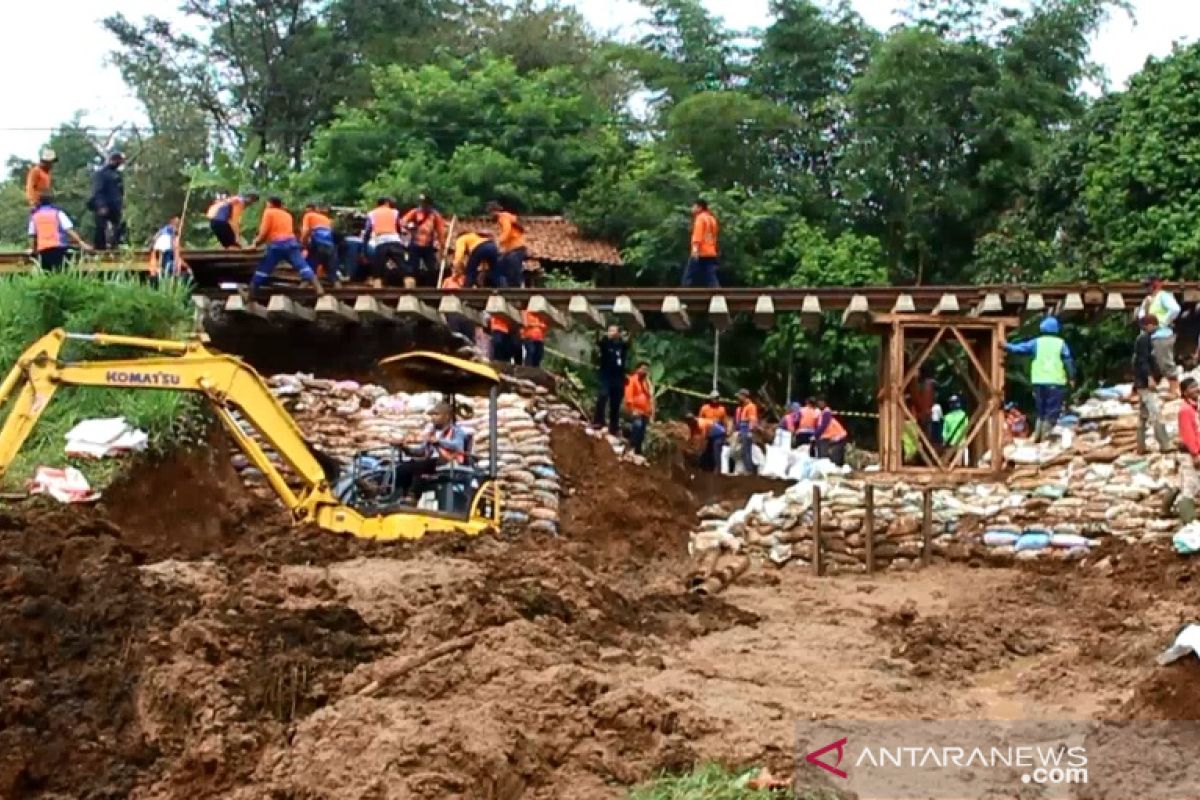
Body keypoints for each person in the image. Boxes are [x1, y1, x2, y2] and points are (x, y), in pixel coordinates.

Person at [1004, 316, 1075, 442]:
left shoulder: (1037, 342)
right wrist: (1072, 377)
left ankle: (1037, 436)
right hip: (1055, 383)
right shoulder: (1060, 344)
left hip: (1038, 383)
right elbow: (1068, 361)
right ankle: (1045, 438)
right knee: (1051, 412)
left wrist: (1005, 345)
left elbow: (1020, 349)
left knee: (1041, 412)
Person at [394, 401, 471, 502]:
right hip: (432, 462)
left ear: (447, 416)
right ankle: (398, 495)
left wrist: (439, 441)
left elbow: (457, 446)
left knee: (421, 466)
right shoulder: (432, 432)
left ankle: (413, 495)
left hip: (448, 462)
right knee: (403, 468)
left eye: (436, 414)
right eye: (432, 415)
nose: (433, 418)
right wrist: (405, 449)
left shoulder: (457, 431)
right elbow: (422, 451)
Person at [249, 197, 324, 298]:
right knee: (302, 265)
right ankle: (318, 288)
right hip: (291, 243)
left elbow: (264, 232)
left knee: (263, 268)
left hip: (276, 245)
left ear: (270, 204)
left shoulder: (269, 212)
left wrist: (255, 243)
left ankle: (250, 295)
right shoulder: (287, 215)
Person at [1137, 275, 1182, 399]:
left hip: (1162, 334)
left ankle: (1175, 390)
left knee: (1165, 362)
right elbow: (1141, 315)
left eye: (1148, 285)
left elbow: (1175, 309)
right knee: (1150, 362)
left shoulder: (1163, 296)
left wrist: (1162, 322)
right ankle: (1150, 388)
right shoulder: (1147, 300)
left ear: (1155, 284)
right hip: (1149, 335)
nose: (1146, 288)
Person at [1133, 313, 1172, 454]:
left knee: (1143, 415)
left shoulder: (1146, 339)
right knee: (1156, 413)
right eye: (1153, 325)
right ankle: (1165, 444)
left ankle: (1141, 446)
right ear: (1146, 325)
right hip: (1144, 383)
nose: (1155, 328)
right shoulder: (1144, 339)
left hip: (1141, 382)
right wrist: (1150, 378)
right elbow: (1142, 361)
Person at [28, 193, 92, 270]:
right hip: (58, 248)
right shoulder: (58, 213)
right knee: (60, 271)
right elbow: (69, 229)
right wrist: (81, 242)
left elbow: (32, 235)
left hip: (43, 250)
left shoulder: (35, 216)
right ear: (52, 202)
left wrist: (32, 249)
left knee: (47, 274)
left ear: (39, 202)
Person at [401, 194, 448, 285]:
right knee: (413, 268)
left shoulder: (435, 215)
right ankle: (414, 287)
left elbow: (440, 232)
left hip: (428, 245)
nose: (422, 205)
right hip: (415, 244)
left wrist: (442, 247)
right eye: (421, 203)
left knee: (432, 268)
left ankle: (430, 287)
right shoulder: (415, 212)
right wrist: (408, 227)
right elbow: (402, 222)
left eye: (424, 203)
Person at [363, 198, 408, 288]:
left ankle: (378, 290)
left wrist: (365, 244)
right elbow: (398, 228)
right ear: (386, 203)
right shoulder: (395, 212)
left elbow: (368, 231)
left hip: (380, 242)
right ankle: (410, 288)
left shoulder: (371, 214)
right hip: (395, 240)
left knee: (378, 269)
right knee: (404, 267)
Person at [594, 325, 629, 436]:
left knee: (616, 403)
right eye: (610, 331)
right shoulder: (605, 343)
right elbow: (598, 339)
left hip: (618, 377)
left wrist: (628, 330)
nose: (612, 333)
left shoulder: (621, 346)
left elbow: (629, 339)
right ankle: (598, 421)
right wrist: (600, 329)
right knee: (603, 395)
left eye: (614, 331)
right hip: (606, 375)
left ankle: (614, 427)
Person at [88, 151, 125, 250]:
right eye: (117, 161)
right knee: (100, 228)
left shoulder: (117, 174)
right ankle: (100, 249)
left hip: (115, 206)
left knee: (119, 227)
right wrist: (101, 205)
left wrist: (121, 205)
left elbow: (120, 191)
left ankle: (115, 247)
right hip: (103, 205)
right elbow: (97, 190)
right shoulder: (101, 173)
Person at [1177, 377, 1200, 523]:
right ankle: (1189, 522)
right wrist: (1195, 454)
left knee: (1187, 483)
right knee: (1189, 487)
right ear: (1185, 392)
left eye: (1197, 386)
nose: (1196, 389)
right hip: (1190, 454)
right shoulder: (1185, 411)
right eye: (1192, 387)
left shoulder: (1194, 408)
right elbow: (1188, 435)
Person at [487, 201, 527, 288]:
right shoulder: (503, 218)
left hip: (517, 247)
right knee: (503, 267)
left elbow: (507, 231)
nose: (490, 215)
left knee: (514, 270)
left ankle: (519, 289)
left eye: (490, 213)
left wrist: (498, 241)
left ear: (494, 211)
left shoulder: (503, 217)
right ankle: (508, 289)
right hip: (511, 248)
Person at [683, 199, 719, 288]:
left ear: (699, 207)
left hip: (700, 251)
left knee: (689, 274)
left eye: (694, 206)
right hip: (710, 251)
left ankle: (683, 294)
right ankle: (717, 293)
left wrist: (695, 249)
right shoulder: (712, 219)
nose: (692, 208)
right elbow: (714, 236)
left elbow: (697, 234)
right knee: (710, 276)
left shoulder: (700, 218)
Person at [301, 202, 339, 286]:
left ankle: (302, 293)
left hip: (317, 245)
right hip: (330, 247)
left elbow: (305, 231)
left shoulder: (308, 216)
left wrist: (303, 245)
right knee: (333, 276)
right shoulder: (326, 219)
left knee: (309, 271)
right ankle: (340, 295)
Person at [624, 362, 654, 455]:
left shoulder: (646, 383)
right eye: (643, 369)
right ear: (637, 369)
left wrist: (650, 412)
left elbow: (649, 397)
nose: (644, 371)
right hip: (634, 410)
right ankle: (631, 447)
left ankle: (637, 451)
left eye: (646, 370)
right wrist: (632, 409)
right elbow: (629, 396)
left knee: (642, 432)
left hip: (644, 412)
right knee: (638, 425)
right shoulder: (632, 380)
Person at [696, 391, 728, 473]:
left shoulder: (721, 409)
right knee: (705, 450)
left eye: (717, 398)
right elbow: (700, 420)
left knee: (716, 449)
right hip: (706, 431)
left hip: (718, 432)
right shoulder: (704, 408)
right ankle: (703, 467)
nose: (715, 400)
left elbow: (724, 422)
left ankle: (717, 469)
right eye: (714, 398)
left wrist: (725, 434)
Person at [148, 216, 186, 281]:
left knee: (162, 258)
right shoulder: (171, 229)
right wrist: (174, 247)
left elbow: (156, 236)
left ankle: (161, 271)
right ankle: (165, 272)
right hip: (166, 245)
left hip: (160, 245)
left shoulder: (165, 228)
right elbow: (172, 239)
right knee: (167, 259)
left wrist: (152, 244)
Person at [814, 396, 848, 466]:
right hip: (833, 437)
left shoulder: (826, 413)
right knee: (830, 456)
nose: (819, 404)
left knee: (832, 457)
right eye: (818, 403)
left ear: (824, 403)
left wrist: (816, 435)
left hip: (838, 436)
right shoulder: (822, 413)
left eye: (820, 402)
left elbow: (823, 426)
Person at [734, 389, 759, 474]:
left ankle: (750, 470)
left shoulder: (751, 406)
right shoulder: (741, 407)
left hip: (746, 429)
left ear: (744, 396)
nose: (738, 398)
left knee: (746, 451)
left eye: (739, 396)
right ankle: (748, 469)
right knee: (743, 451)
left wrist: (750, 431)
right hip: (742, 428)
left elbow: (752, 419)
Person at [942, 395, 969, 464]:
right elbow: (966, 428)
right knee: (958, 463)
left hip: (951, 442)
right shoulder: (964, 415)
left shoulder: (947, 417)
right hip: (961, 441)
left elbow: (944, 433)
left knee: (950, 463)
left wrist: (944, 442)